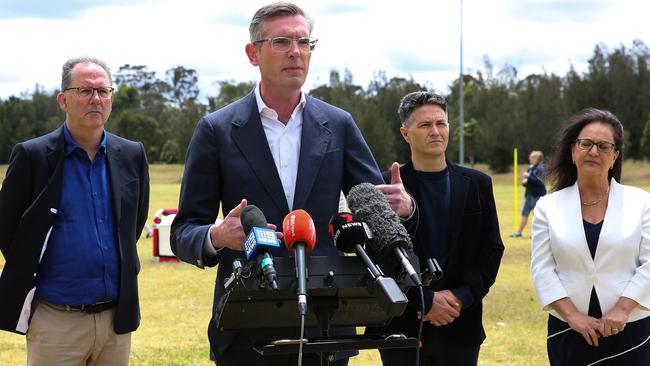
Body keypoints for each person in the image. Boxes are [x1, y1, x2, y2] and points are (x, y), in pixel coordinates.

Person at [169, 3, 413, 366]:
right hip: (247, 323)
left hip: (327, 321)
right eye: (281, 41)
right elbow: (184, 231)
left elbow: (376, 207)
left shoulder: (339, 124)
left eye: (304, 41)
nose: (295, 51)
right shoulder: (216, 130)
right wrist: (217, 236)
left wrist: (404, 208)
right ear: (253, 53)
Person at [0, 56, 150, 366]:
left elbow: (133, 224)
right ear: (63, 100)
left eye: (103, 91)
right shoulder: (33, 156)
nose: (95, 99)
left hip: (115, 323)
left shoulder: (132, 154)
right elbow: (7, 228)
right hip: (56, 322)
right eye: (85, 91)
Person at [369, 91, 504, 366]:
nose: (435, 132)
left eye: (441, 124)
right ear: (406, 134)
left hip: (460, 323)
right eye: (425, 125)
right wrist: (424, 300)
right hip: (402, 325)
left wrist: (460, 296)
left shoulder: (478, 184)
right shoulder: (385, 188)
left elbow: (491, 250)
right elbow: (376, 258)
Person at [531, 108, 650, 365]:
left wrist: (622, 310)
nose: (593, 151)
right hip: (569, 329)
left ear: (615, 155)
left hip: (629, 328)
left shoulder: (641, 202)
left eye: (603, 146)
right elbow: (542, 270)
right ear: (573, 151)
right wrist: (573, 316)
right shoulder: (547, 206)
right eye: (586, 144)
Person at [511, 150, 546, 238]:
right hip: (529, 194)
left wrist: (528, 177)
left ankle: (535, 234)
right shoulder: (530, 168)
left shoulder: (541, 168)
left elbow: (540, 182)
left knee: (537, 215)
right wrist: (525, 182)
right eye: (530, 157)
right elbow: (529, 181)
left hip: (537, 195)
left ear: (538, 158)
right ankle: (519, 232)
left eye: (532, 157)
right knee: (525, 213)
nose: (530, 158)